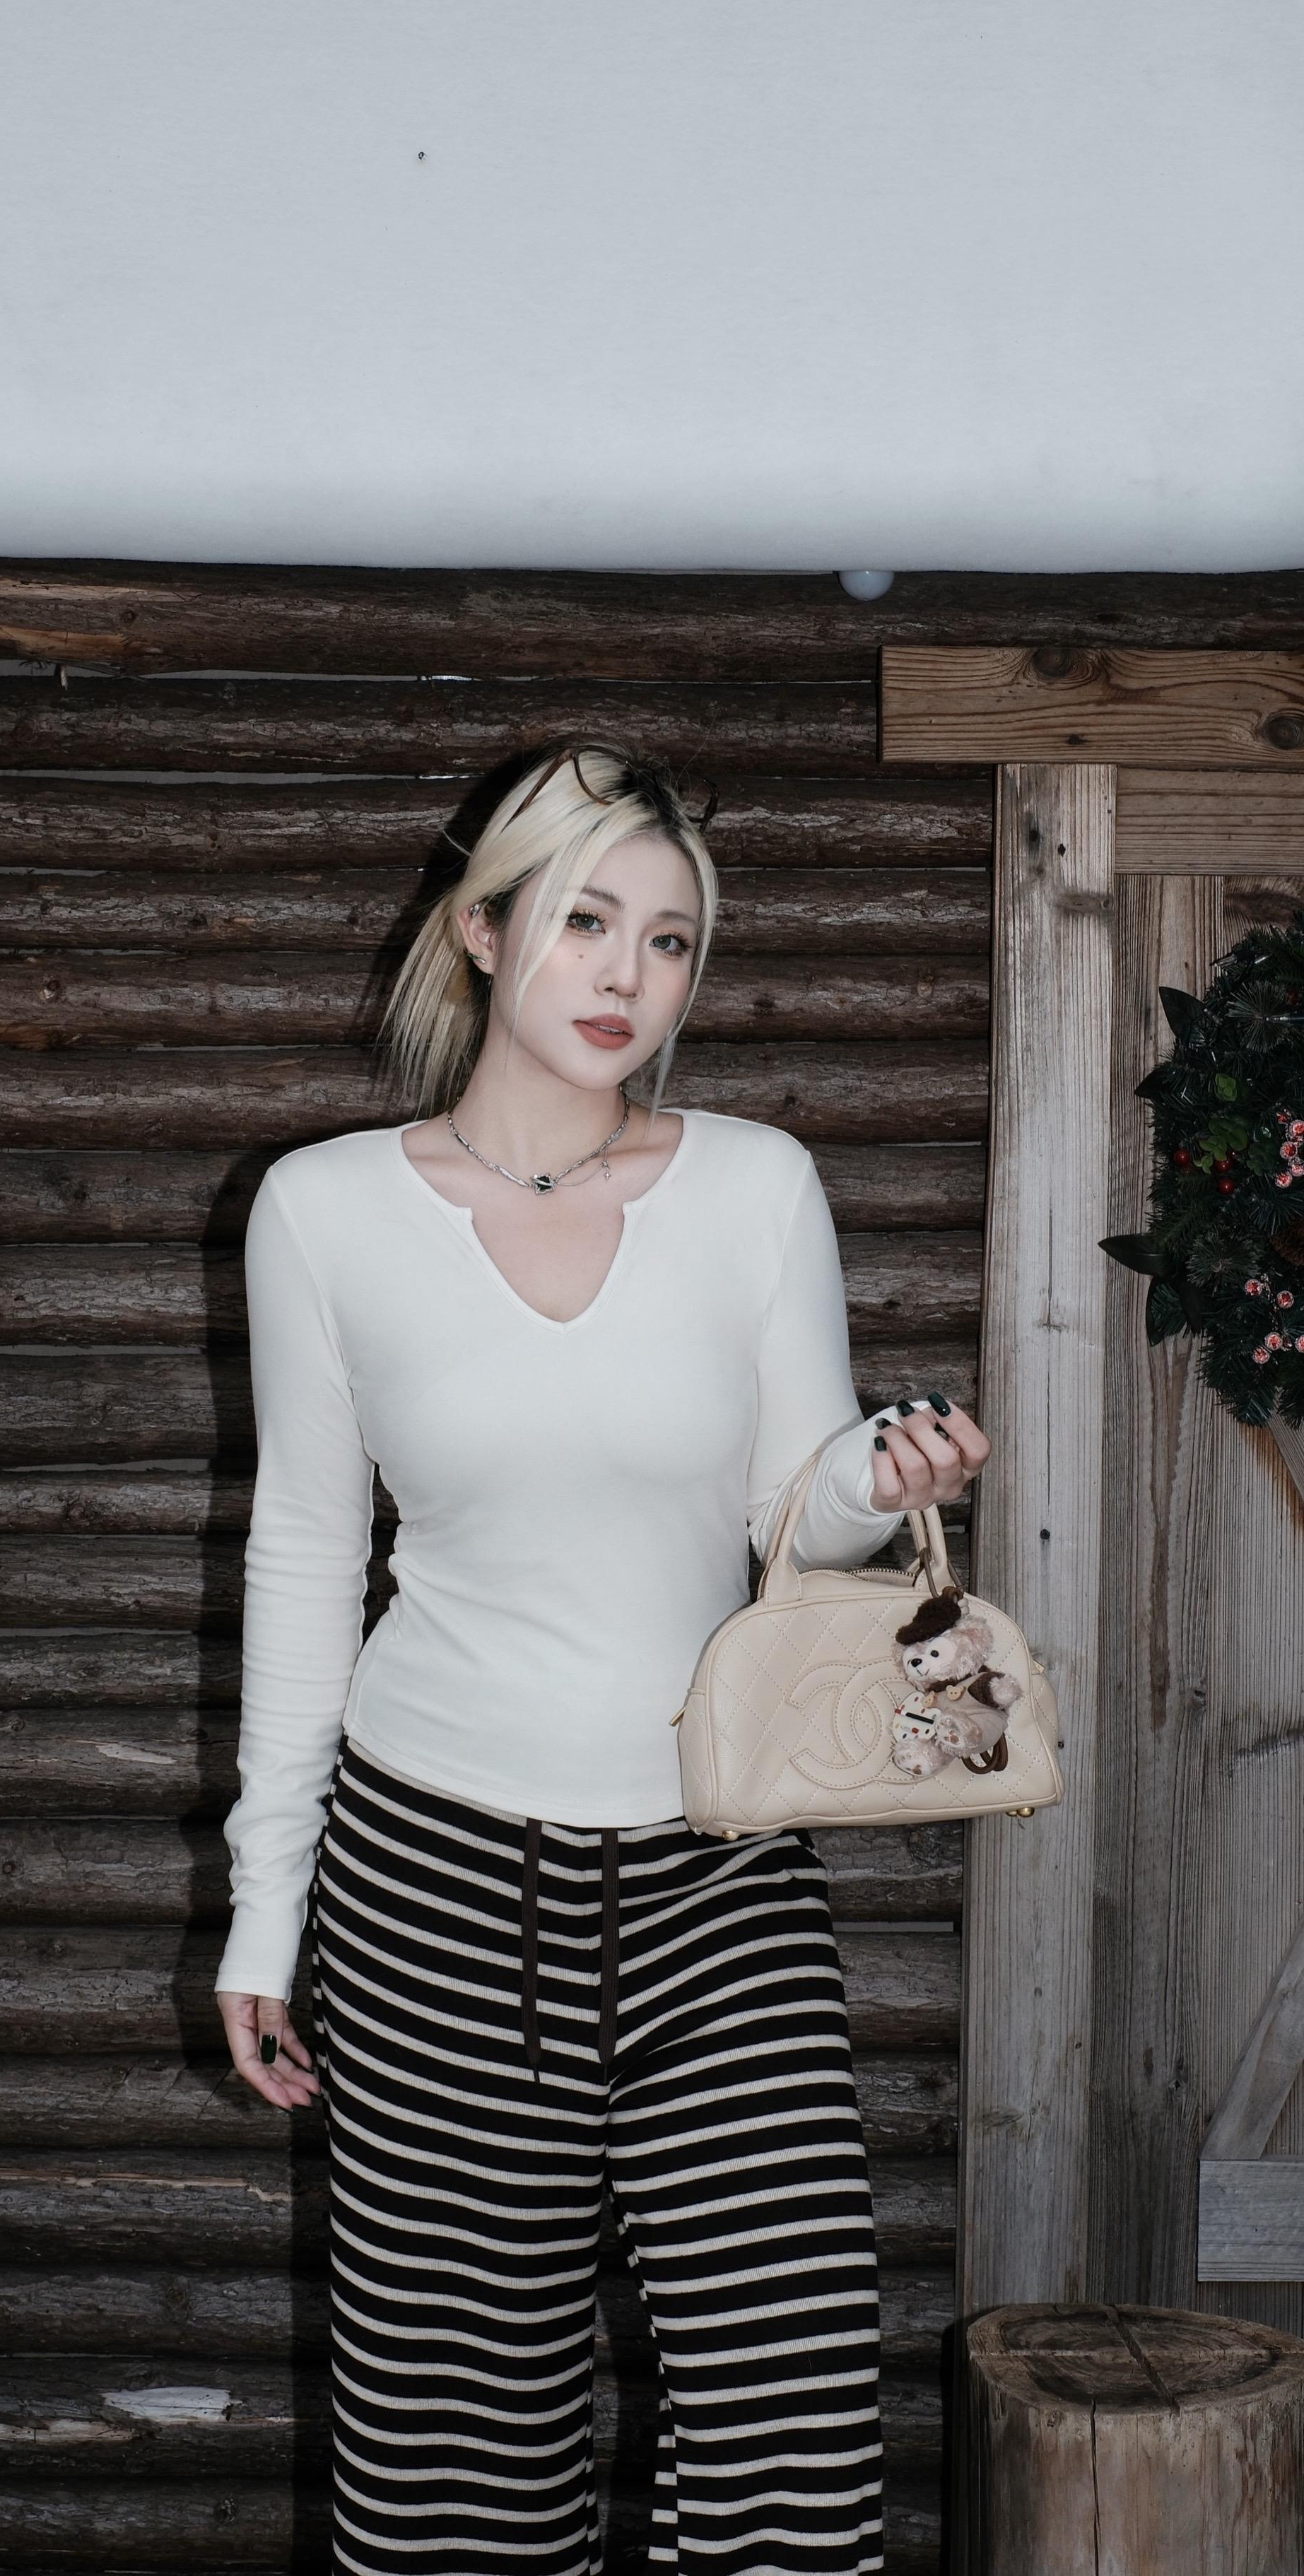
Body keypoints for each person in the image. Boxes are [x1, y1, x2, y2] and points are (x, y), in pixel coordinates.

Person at [216, 743, 990, 2576]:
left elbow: (795, 1517)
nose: (627, 975)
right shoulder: (323, 1210)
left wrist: (878, 1483)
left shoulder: (756, 1187)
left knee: (795, 2435)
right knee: (455, 2461)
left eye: (669, 939)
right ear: (484, 932)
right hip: (430, 1879)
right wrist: (266, 1911)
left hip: (719, 1872)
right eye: (583, 921)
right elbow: (307, 1558)